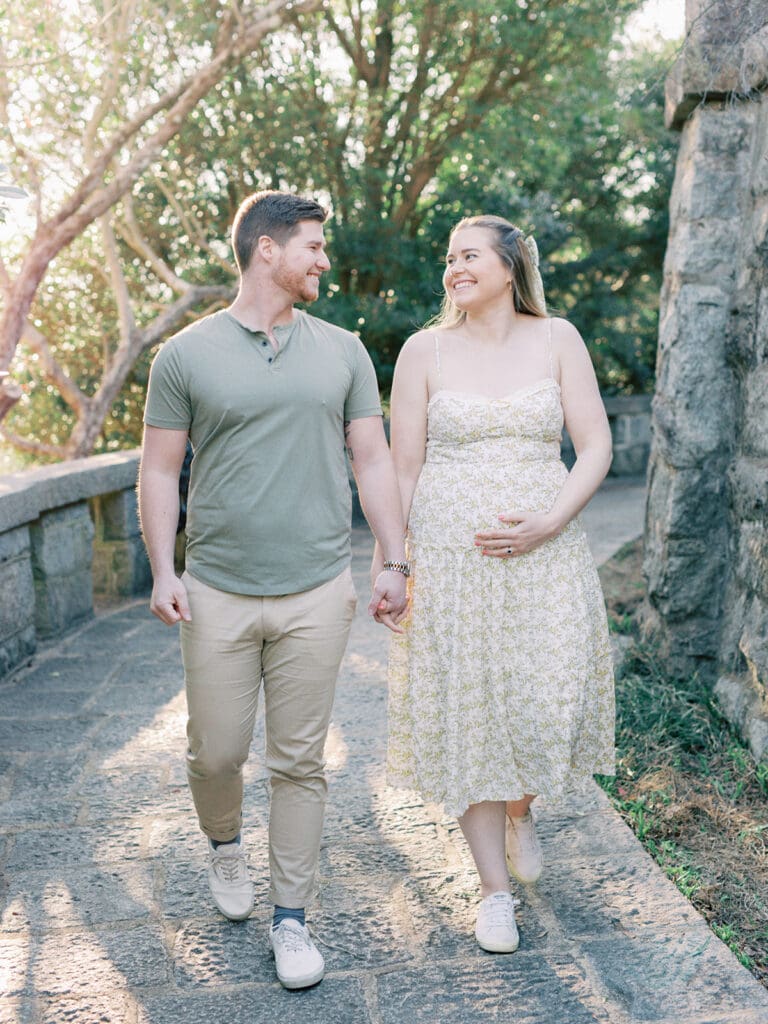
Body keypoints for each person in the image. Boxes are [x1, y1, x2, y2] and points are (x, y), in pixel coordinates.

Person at [138, 190, 409, 990]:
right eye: (314, 246)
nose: (325, 260)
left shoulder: (344, 351)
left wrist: (393, 558)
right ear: (267, 249)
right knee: (215, 751)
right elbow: (158, 469)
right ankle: (225, 846)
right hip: (216, 587)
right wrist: (163, 568)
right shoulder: (185, 355)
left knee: (300, 762)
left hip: (316, 588)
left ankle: (291, 919)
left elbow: (374, 460)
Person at [379, 214, 615, 954]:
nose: (454, 267)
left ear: (510, 266)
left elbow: (596, 444)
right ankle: (494, 893)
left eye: (469, 255)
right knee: (471, 713)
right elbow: (402, 467)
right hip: (453, 561)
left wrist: (549, 521)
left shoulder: (558, 339)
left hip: (548, 556)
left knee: (545, 704)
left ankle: (522, 808)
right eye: (449, 258)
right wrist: (397, 557)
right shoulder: (423, 351)